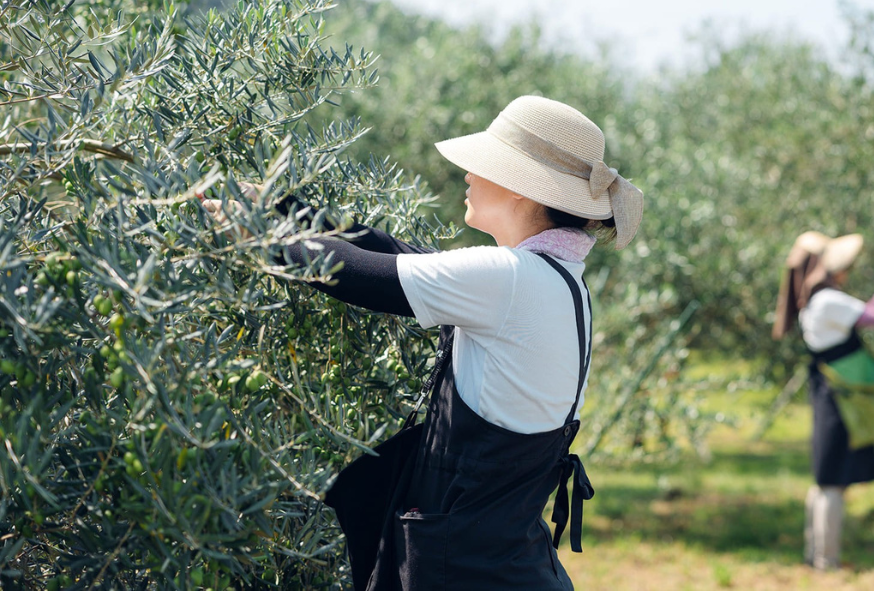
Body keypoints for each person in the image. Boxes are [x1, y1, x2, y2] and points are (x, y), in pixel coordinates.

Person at [204, 96, 642, 590]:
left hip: (464, 575)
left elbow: (361, 273)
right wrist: (283, 209)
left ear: (522, 190)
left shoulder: (510, 279)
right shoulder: (558, 280)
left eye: (484, 164)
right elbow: (394, 252)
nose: (468, 174)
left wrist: (257, 237)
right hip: (510, 565)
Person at [773, 231, 874, 571]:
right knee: (831, 483)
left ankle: (816, 557)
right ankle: (827, 562)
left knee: (824, 480)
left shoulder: (816, 301)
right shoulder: (827, 301)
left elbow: (871, 310)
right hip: (839, 400)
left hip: (829, 394)